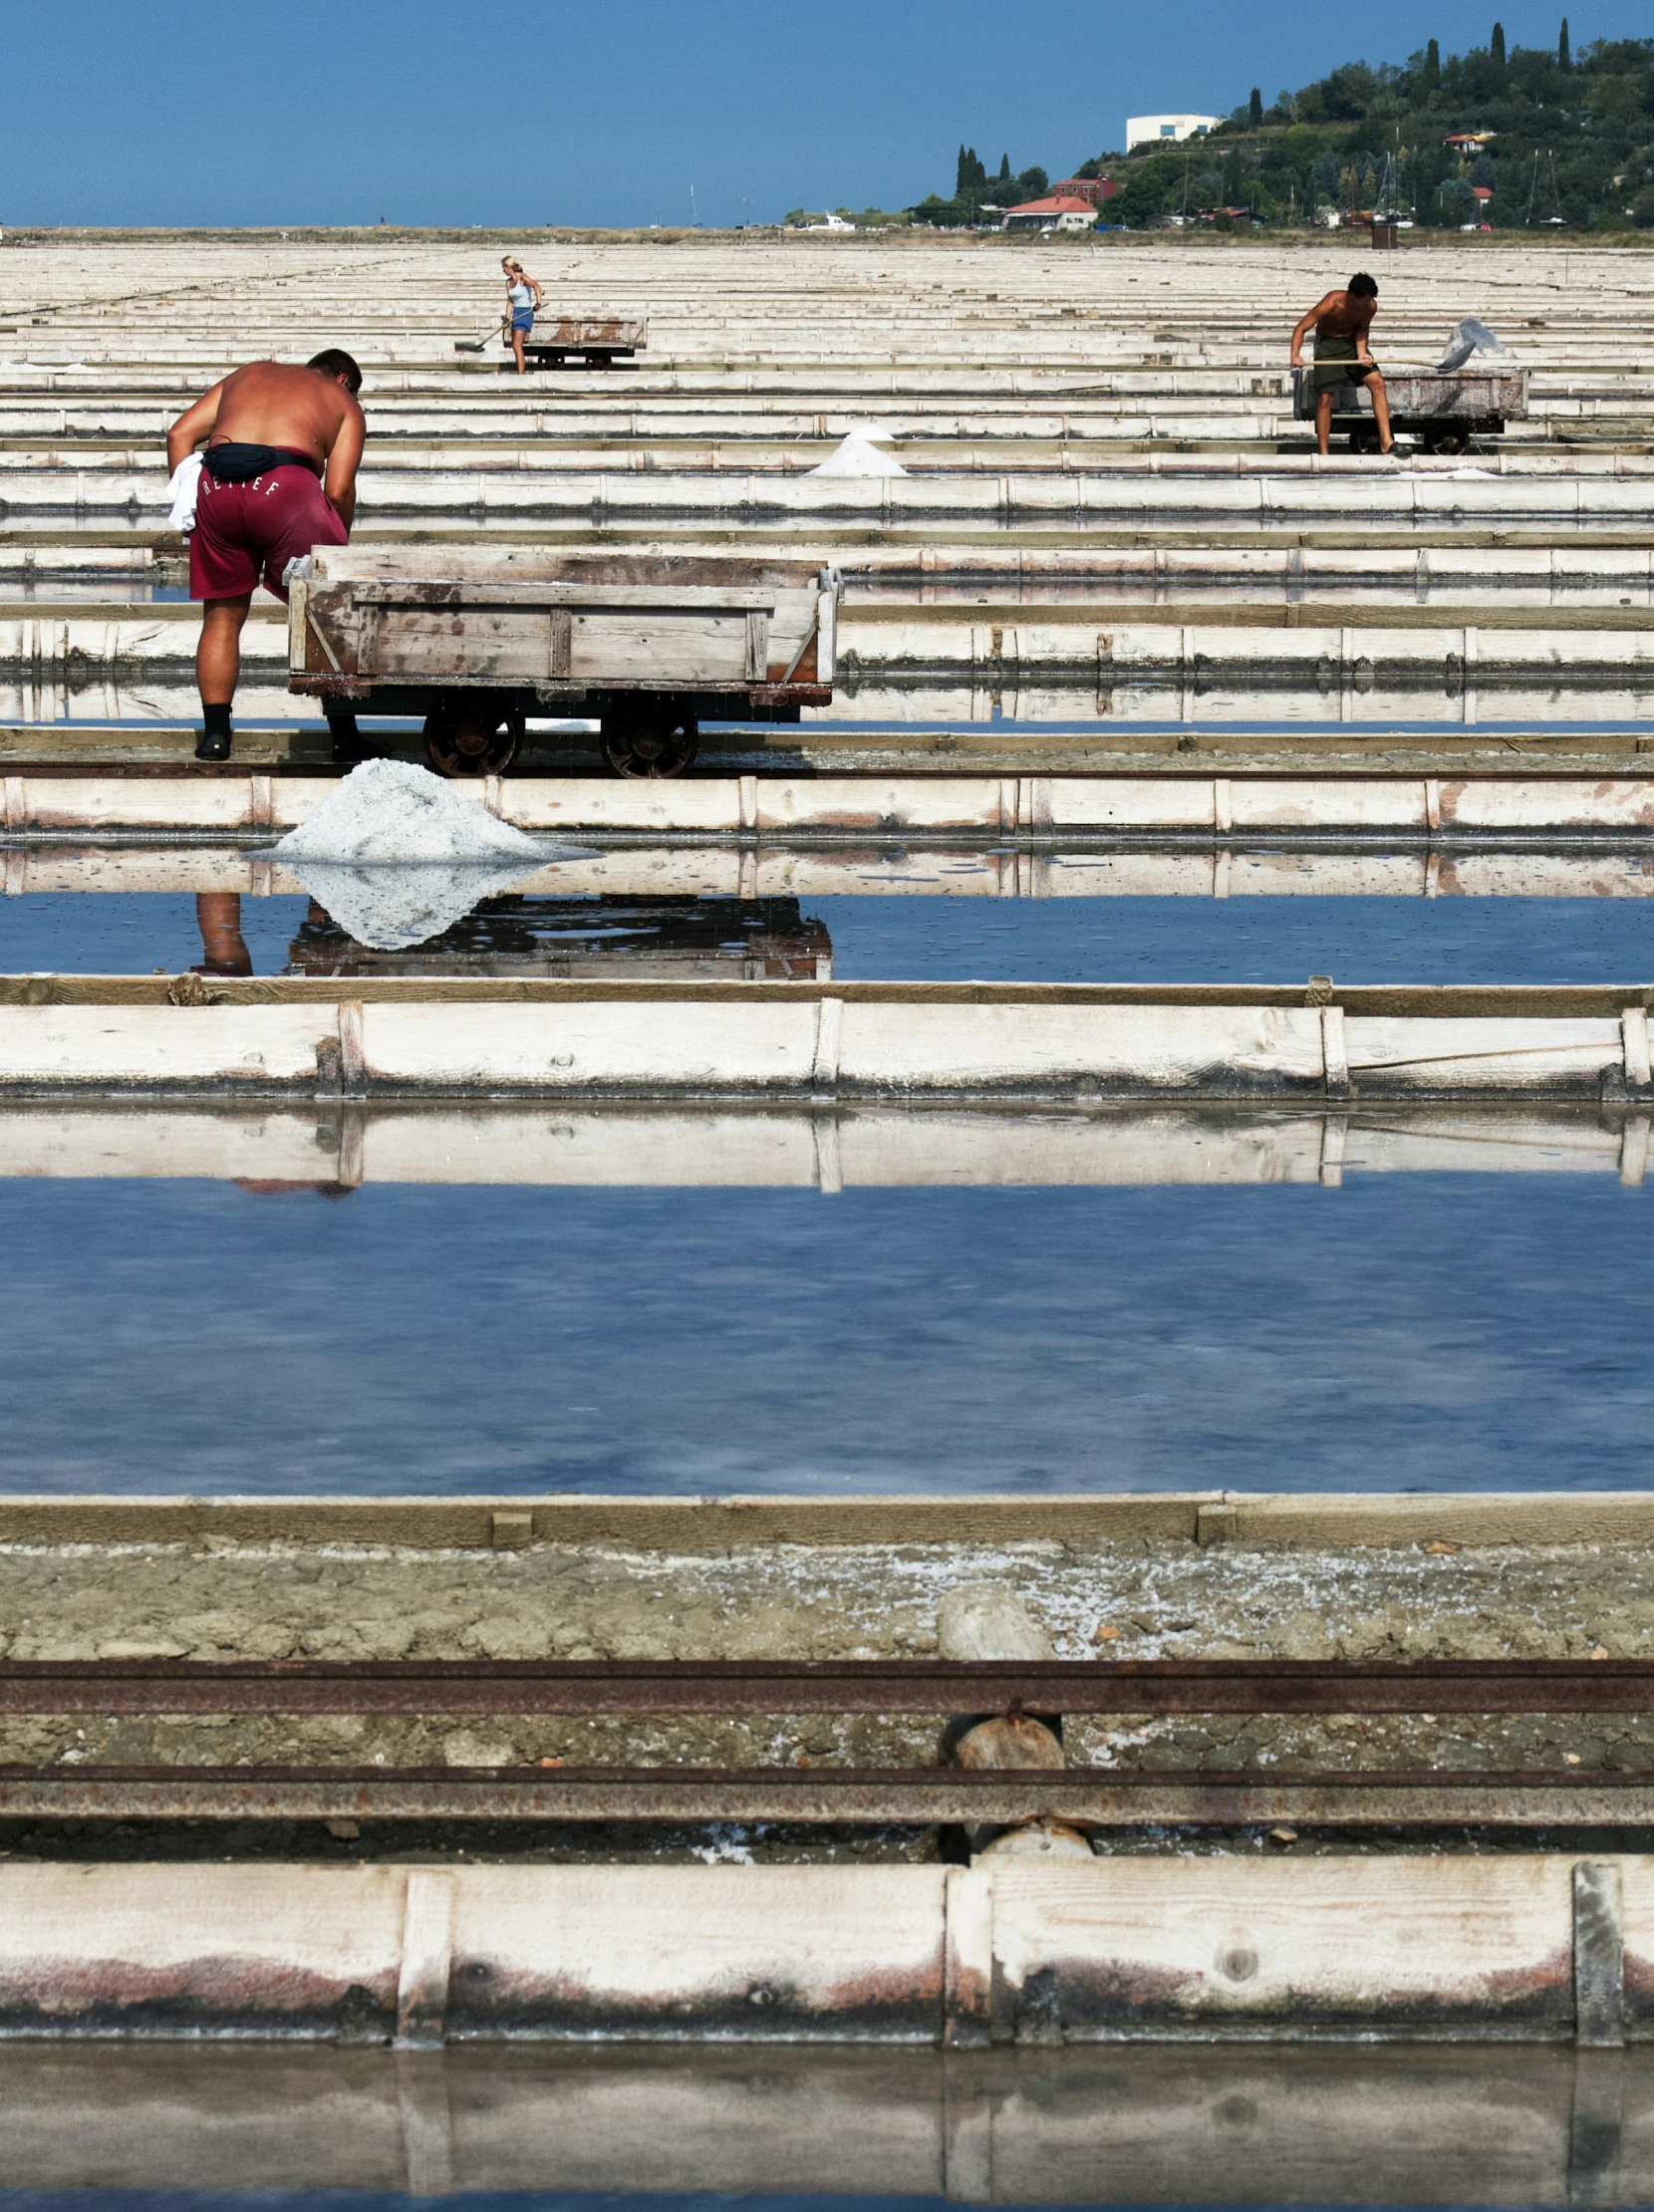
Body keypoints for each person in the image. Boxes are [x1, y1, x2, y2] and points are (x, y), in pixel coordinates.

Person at [166, 351, 366, 761]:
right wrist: (334, 550)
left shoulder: (250, 373)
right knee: (323, 614)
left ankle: (216, 737)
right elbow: (339, 490)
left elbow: (179, 435)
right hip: (288, 486)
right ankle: (345, 737)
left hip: (216, 486)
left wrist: (188, 504)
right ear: (343, 379)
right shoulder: (342, 401)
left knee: (222, 615)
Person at [1289, 274, 1396, 457]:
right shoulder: (1333, 301)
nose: (1368, 303)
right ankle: (1324, 453)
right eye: (1364, 299)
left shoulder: (1370, 307)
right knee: (1325, 398)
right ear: (1352, 295)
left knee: (1378, 382)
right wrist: (1295, 355)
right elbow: (1301, 328)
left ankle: (1386, 441)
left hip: (1351, 344)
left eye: (1370, 299)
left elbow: (1362, 329)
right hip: (1327, 345)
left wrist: (1362, 352)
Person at [502, 257, 543, 375]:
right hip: (516, 313)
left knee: (517, 345)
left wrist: (538, 303)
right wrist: (507, 317)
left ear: (509, 267)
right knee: (514, 346)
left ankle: (521, 374)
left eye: (504, 268)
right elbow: (510, 301)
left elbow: (536, 286)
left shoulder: (522, 278)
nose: (503, 271)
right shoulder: (508, 283)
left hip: (525, 313)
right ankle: (520, 371)